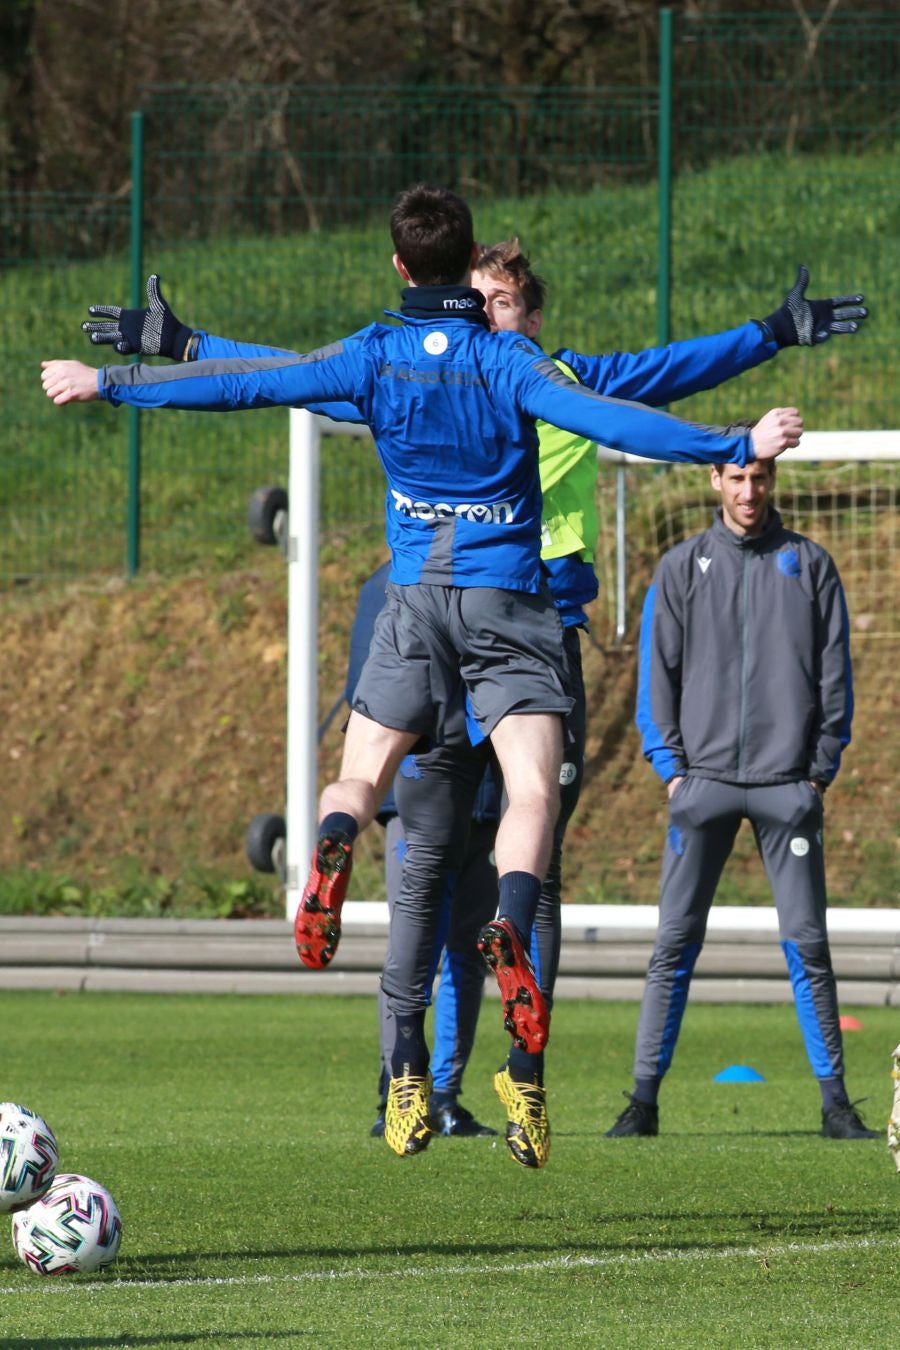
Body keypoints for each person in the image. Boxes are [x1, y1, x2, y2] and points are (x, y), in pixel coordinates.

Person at [42, 183, 804, 1170]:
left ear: (401, 267)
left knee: (362, 778)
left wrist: (117, 384)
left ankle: (329, 841)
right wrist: (732, 446)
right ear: (466, 270)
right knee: (532, 790)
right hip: (510, 606)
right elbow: (615, 418)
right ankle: (512, 931)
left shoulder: (371, 353)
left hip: (412, 605)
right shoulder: (509, 360)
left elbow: (258, 384)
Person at [605, 454, 879, 1142]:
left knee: (808, 943)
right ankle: (642, 1103)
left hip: (788, 787)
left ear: (773, 483)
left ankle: (836, 1104)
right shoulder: (680, 567)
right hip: (703, 787)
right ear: (714, 483)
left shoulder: (810, 565)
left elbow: (834, 675)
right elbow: (656, 677)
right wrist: (672, 770)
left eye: (758, 478)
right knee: (673, 943)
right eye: (736, 478)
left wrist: (817, 770)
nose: (748, 490)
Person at [348, 562, 498, 1139]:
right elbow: (369, 697)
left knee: (471, 952)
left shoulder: (498, 575)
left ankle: (444, 1094)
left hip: (485, 800)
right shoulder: (383, 587)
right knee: (412, 952)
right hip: (418, 797)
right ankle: (396, 1091)